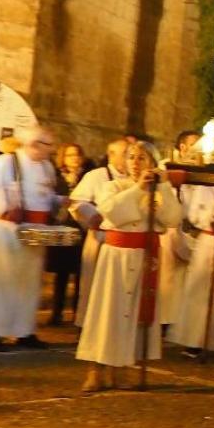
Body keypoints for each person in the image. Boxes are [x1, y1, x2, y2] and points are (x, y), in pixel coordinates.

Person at [75, 141, 182, 393]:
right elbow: (111, 211)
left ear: (152, 163)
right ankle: (95, 370)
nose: (135, 163)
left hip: (145, 256)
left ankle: (120, 368)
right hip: (116, 257)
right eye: (131, 157)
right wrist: (138, 189)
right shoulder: (112, 186)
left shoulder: (160, 190)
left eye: (142, 158)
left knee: (134, 313)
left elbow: (173, 218)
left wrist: (163, 186)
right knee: (107, 312)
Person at [0, 126, 67, 351]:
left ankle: (24, 331)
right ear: (34, 144)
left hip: (37, 233)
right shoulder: (5, 163)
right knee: (2, 281)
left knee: (30, 282)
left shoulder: (47, 167)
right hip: (9, 232)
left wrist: (58, 202)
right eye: (48, 145)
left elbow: (44, 197)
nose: (51, 150)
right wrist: (2, 208)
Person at [166, 131, 214, 357]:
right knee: (201, 289)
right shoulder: (206, 183)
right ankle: (195, 340)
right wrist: (211, 218)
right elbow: (194, 213)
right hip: (210, 241)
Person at [68, 139, 129, 326]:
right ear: (111, 155)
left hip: (124, 242)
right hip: (100, 238)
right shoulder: (96, 176)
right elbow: (76, 202)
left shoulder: (134, 178)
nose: (129, 158)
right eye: (125, 154)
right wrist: (92, 215)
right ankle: (87, 325)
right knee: (93, 285)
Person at [47, 143, 88, 325]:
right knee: (61, 272)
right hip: (62, 227)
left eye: (77, 155)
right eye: (70, 155)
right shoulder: (57, 178)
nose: (74, 159)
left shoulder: (87, 176)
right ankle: (57, 312)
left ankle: (77, 313)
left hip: (80, 227)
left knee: (80, 272)